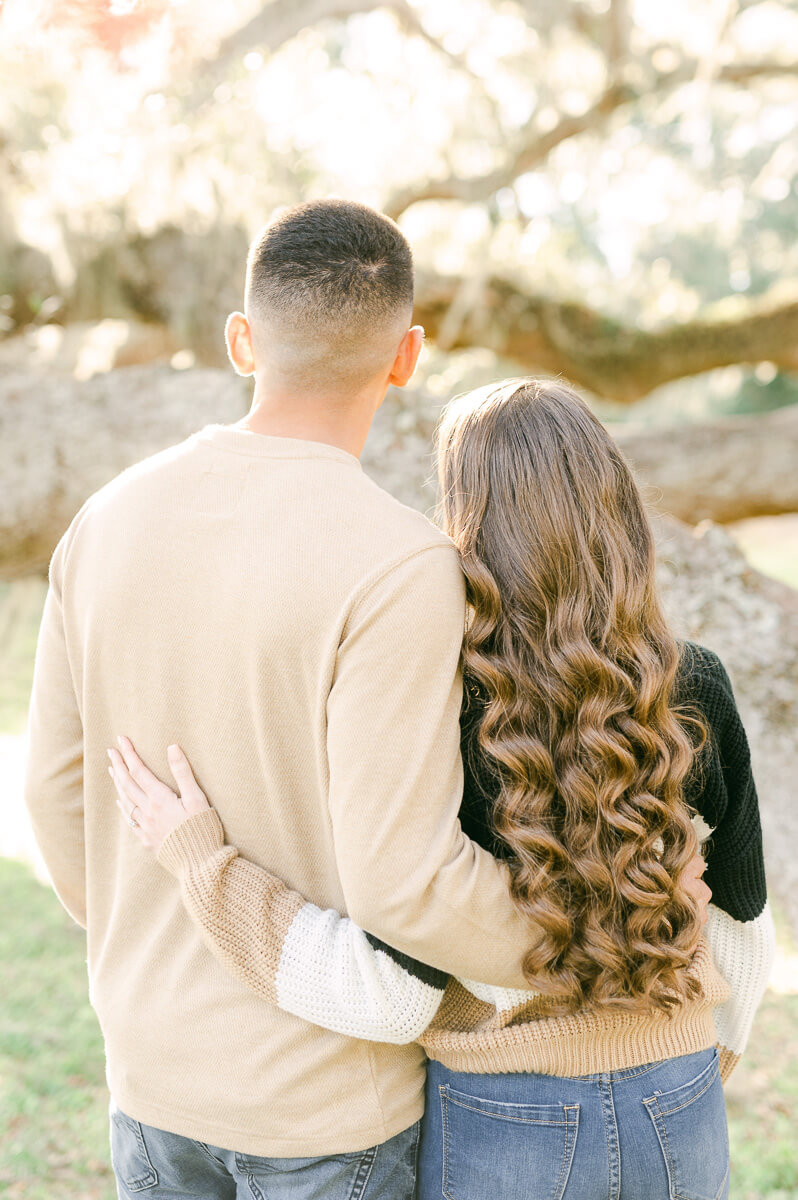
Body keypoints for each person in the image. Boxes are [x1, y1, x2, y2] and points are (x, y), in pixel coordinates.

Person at [109, 379, 774, 1200]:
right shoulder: (693, 684)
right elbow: (744, 925)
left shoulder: (453, 709)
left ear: (465, 522)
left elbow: (388, 996)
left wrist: (205, 867)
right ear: (620, 516)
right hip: (682, 1097)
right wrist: (688, 1065)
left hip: (513, 1116)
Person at [24, 199, 554, 1200]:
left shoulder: (104, 522)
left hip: (150, 1077)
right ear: (406, 357)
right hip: (328, 1102)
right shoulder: (401, 566)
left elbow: (55, 793)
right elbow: (406, 880)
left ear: (241, 340)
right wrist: (583, 937)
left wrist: (155, 944)